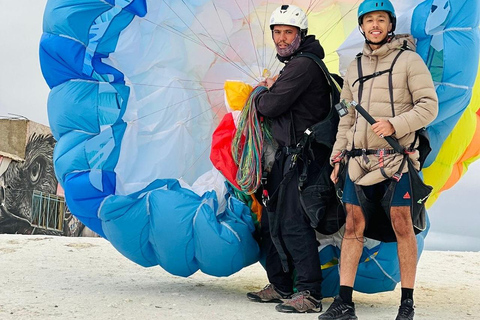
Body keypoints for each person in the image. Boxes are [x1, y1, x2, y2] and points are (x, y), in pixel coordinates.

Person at [319, 1, 438, 320]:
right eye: (369, 20)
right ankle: (344, 303)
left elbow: (429, 106)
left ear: (390, 24)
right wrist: (336, 156)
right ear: (362, 26)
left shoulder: (410, 61)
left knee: (402, 225)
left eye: (381, 20)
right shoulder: (354, 67)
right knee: (354, 227)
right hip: (358, 162)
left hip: (397, 160)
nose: (375, 25)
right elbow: (345, 116)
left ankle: (406, 304)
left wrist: (395, 125)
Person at [245, 4, 337, 314]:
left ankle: (309, 292)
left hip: (305, 159)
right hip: (289, 157)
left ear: (301, 35)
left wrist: (259, 94)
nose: (282, 39)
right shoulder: (294, 65)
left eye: (288, 33)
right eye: (277, 33)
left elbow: (269, 106)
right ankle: (281, 285)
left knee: (294, 223)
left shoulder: (303, 66)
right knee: (272, 220)